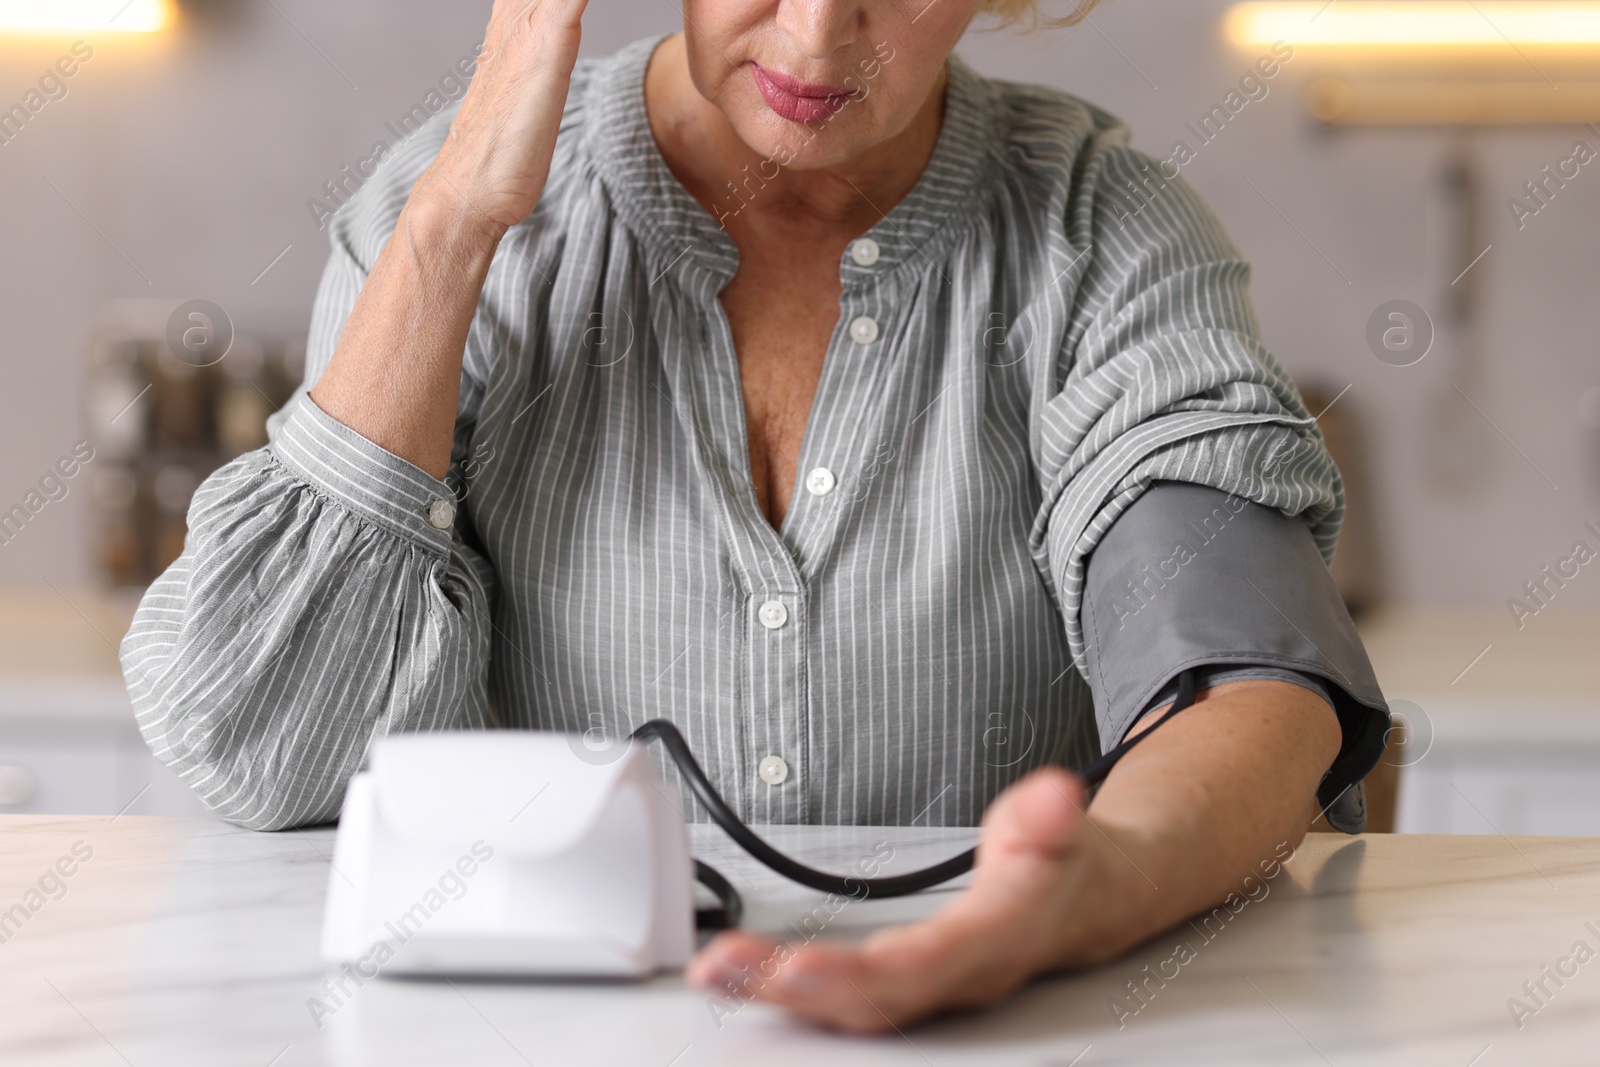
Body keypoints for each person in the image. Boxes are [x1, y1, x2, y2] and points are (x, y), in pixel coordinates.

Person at [121, 0, 1389, 1033]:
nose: (818, 38)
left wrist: (1090, 890)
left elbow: (1243, 675)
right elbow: (263, 752)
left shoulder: (1102, 230)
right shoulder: (443, 216)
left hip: (983, 1025)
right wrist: (453, 228)